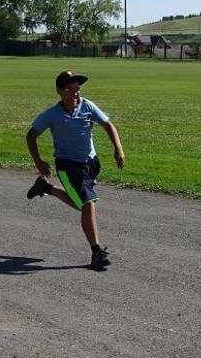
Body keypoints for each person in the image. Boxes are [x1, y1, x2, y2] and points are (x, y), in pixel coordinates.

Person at [25, 70, 125, 271]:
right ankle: (97, 252)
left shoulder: (87, 105)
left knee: (83, 205)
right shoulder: (52, 115)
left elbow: (107, 124)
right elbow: (31, 135)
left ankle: (47, 188)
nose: (76, 94)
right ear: (60, 92)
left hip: (91, 163)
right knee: (88, 204)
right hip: (68, 166)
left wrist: (118, 148)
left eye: (77, 90)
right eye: (70, 90)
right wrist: (39, 162)